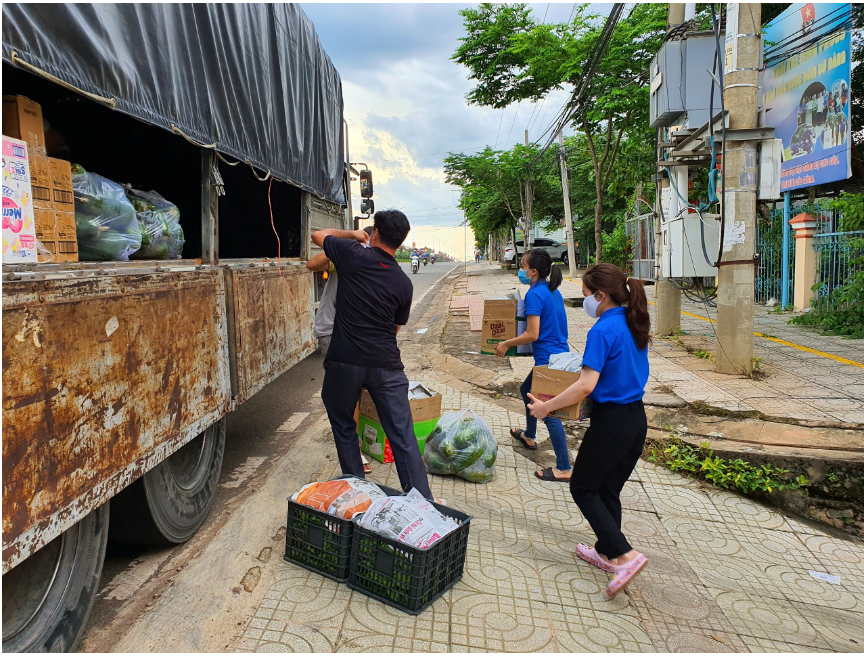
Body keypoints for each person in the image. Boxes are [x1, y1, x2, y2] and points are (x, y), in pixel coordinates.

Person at [526, 263, 651, 597]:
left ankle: (625, 556)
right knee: (608, 489)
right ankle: (606, 552)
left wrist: (546, 407)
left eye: (584, 295)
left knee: (582, 488)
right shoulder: (634, 320)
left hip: (612, 423)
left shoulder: (602, 330)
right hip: (636, 421)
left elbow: (585, 385)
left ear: (600, 295)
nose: (585, 302)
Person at [312, 211, 434, 499]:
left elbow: (319, 235)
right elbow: (394, 329)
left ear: (375, 233)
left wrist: (352, 234)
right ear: (401, 243)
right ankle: (423, 503)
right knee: (402, 435)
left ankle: (358, 494)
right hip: (387, 366)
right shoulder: (403, 282)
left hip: (345, 363)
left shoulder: (353, 254)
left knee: (344, 424)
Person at [495, 249, 572, 482]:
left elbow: (533, 333)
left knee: (548, 413)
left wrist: (506, 343)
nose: (520, 268)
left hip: (547, 361)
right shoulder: (551, 290)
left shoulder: (535, 295)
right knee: (525, 390)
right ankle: (529, 435)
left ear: (534, 271)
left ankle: (564, 468)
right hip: (558, 355)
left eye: (523, 265)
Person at [308, 226, 375, 473]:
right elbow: (313, 263)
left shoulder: (381, 262)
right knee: (349, 392)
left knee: (357, 389)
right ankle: (354, 453)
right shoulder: (346, 255)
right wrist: (348, 238)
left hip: (360, 336)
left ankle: (357, 445)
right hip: (333, 331)